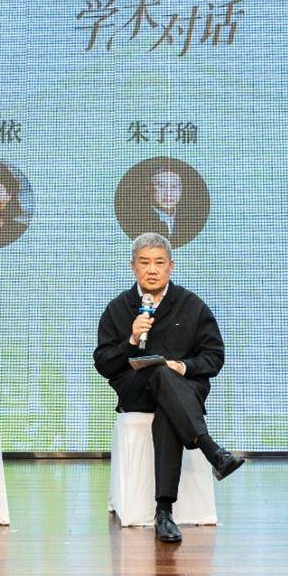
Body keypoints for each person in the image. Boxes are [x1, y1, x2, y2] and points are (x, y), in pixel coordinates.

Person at [94, 232, 244, 543]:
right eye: (144, 262)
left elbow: (214, 357)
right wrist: (131, 340)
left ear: (171, 267)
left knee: (167, 393)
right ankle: (211, 450)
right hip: (136, 390)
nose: (152, 269)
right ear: (133, 267)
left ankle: (164, 512)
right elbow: (104, 364)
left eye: (159, 262)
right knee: (160, 374)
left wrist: (183, 367)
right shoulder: (118, 308)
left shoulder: (192, 305)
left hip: (183, 389)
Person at [116, 163, 207, 249]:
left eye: (174, 186)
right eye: (161, 186)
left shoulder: (194, 219)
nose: (169, 193)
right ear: (149, 189)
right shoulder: (134, 221)